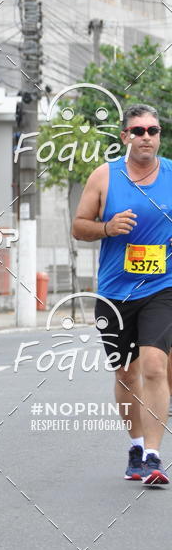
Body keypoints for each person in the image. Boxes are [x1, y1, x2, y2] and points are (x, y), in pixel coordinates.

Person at [72, 103, 172, 486]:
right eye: (138, 130)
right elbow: (79, 227)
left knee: (153, 366)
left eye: (153, 130)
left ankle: (153, 454)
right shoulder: (105, 177)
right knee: (127, 374)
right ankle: (134, 445)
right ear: (124, 137)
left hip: (162, 288)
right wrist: (108, 227)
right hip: (115, 293)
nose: (146, 136)